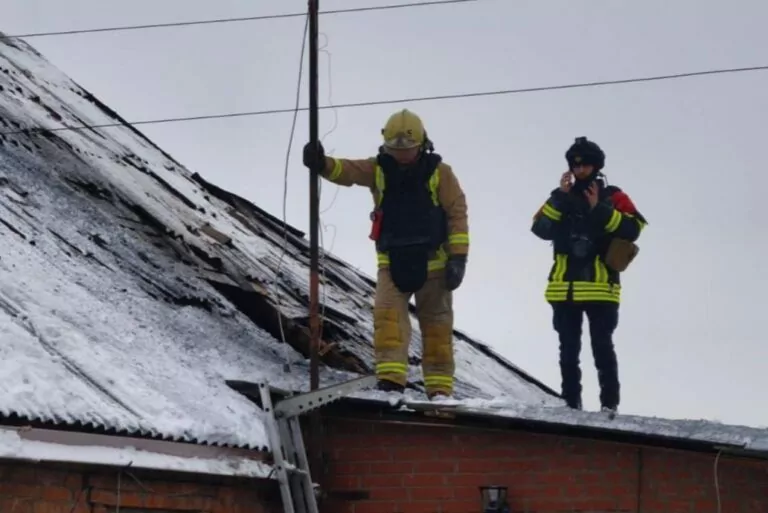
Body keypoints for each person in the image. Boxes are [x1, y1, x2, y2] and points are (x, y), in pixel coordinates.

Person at [301, 109, 469, 400]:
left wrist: (459, 257)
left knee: (438, 327)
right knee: (388, 320)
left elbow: (457, 213)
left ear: (421, 144)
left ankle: (440, 390)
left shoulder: (441, 173)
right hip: (392, 263)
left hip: (436, 264)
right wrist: (321, 164)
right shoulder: (379, 169)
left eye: (407, 149)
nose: (401, 155)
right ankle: (391, 381)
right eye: (395, 150)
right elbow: (348, 171)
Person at [531, 137, 647, 414]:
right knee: (568, 353)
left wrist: (600, 209)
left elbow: (635, 228)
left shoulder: (614, 196)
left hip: (600, 288)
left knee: (602, 349)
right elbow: (539, 228)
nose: (580, 169)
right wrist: (559, 196)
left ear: (597, 165)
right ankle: (571, 405)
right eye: (575, 164)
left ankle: (609, 404)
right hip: (563, 289)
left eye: (585, 164)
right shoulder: (560, 196)